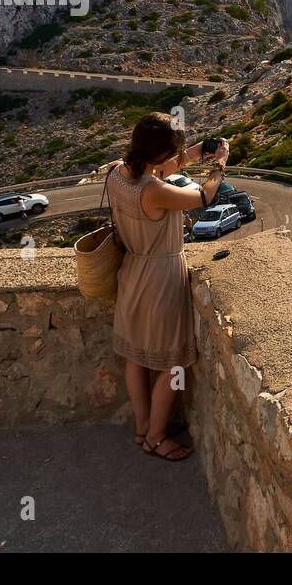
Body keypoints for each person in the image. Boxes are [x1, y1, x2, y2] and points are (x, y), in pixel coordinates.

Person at [104, 113, 228, 461]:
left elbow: (156, 166)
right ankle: (158, 438)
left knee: (136, 357)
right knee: (173, 365)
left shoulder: (116, 174)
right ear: (160, 154)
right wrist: (219, 164)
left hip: (132, 273)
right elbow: (204, 197)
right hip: (162, 277)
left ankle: (143, 429)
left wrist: (190, 153)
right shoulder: (155, 191)